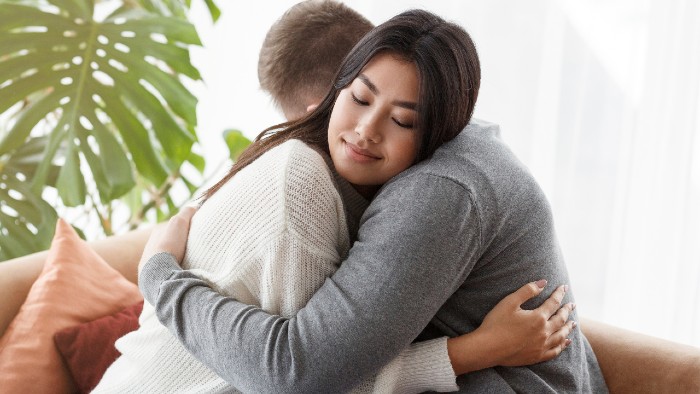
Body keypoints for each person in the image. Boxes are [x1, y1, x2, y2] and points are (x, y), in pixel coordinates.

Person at [93, 4, 575, 393]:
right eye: (360, 99)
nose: (364, 132)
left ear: (441, 130)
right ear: (333, 93)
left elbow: (298, 374)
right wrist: (472, 350)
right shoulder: (299, 182)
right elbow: (302, 374)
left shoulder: (437, 192)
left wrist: (159, 276)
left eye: (404, 120)